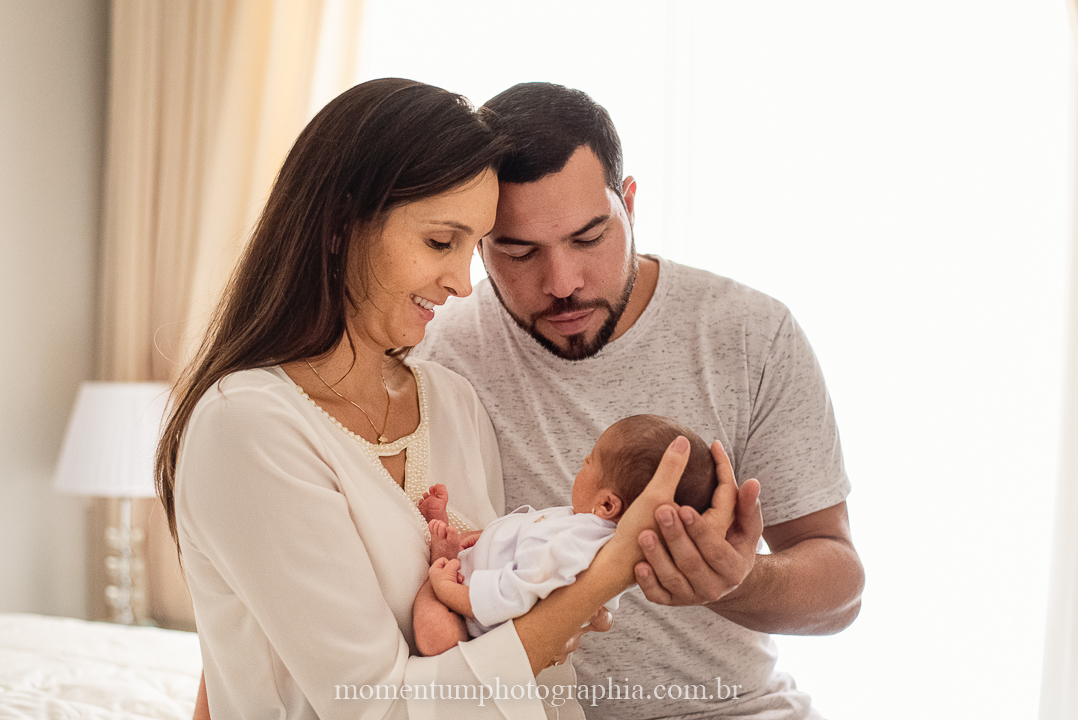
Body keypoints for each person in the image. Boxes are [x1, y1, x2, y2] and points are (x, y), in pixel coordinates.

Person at [156, 78, 722, 720]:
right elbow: (376, 708)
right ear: (341, 225)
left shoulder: (451, 400)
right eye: (439, 242)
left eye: (472, 246)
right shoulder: (249, 424)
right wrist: (601, 578)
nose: (460, 283)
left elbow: (506, 643)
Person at [416, 82, 865, 719]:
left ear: (629, 204)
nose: (562, 283)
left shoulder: (750, 335)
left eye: (589, 237)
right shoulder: (437, 352)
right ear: (479, 243)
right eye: (518, 252)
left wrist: (734, 578)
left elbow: (840, 588)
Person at [414, 414, 719, 654]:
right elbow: (535, 527)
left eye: (589, 462)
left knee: (438, 638)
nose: (582, 466)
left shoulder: (577, 543)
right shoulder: (586, 528)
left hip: (479, 617)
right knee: (474, 540)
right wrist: (491, 536)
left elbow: (514, 595)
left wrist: (445, 591)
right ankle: (452, 551)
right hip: (480, 580)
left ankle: (441, 564)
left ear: (608, 504)